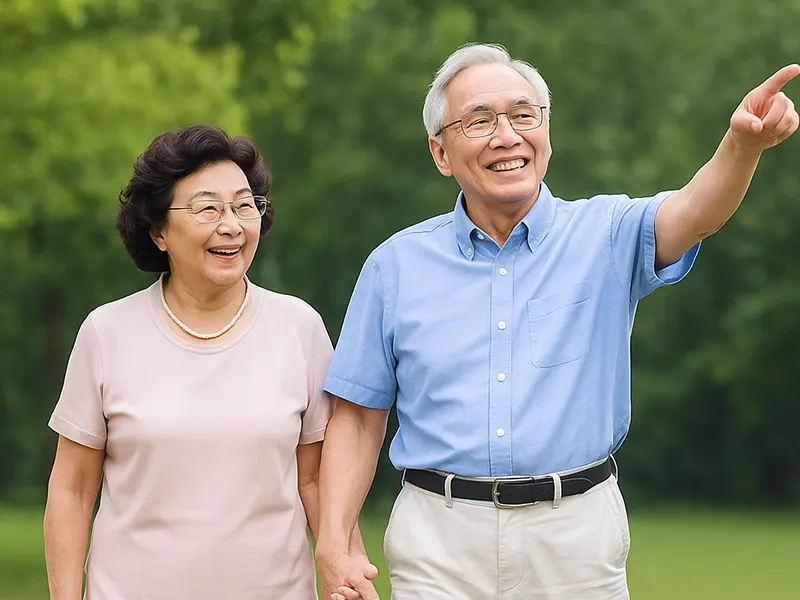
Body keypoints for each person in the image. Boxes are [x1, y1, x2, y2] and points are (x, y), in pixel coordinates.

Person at [314, 44, 799, 600]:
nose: (506, 135)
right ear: (440, 152)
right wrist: (333, 540)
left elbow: (696, 211)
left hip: (576, 537)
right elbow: (358, 417)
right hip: (438, 540)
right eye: (479, 120)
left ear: (546, 132)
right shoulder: (394, 265)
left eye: (523, 115)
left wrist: (742, 145)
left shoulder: (607, 233)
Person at [43, 125, 362, 599]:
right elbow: (72, 490)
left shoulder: (299, 327)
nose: (231, 225)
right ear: (159, 231)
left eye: (245, 206)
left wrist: (344, 565)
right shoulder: (107, 332)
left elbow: (316, 479)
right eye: (208, 208)